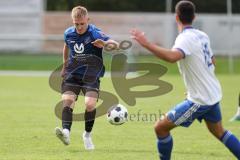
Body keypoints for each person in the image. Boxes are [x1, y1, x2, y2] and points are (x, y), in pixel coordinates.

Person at [130, 1, 240, 159]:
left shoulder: (184, 39)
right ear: (194, 17)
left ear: (176, 17)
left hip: (199, 100)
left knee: (160, 128)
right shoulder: (202, 35)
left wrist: (147, 44)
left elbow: (172, 57)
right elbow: (212, 61)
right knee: (219, 132)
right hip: (212, 94)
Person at [55, 6, 117, 150]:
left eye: (82, 23)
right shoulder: (68, 34)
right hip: (72, 75)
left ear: (87, 20)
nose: (79, 26)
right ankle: (66, 133)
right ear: (73, 21)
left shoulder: (95, 33)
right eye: (76, 24)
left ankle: (87, 135)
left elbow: (116, 45)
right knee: (68, 101)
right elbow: (66, 46)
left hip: (91, 75)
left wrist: (105, 44)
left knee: (90, 104)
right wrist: (64, 65)